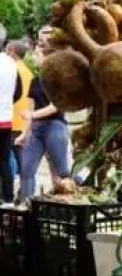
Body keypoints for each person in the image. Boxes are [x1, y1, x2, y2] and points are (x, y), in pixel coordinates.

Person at [14, 32, 73, 202]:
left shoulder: (59, 80)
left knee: (62, 171)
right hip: (37, 130)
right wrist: (24, 134)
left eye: (37, 54)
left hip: (55, 127)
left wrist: (33, 114)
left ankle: (74, 195)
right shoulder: (35, 81)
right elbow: (30, 106)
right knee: (26, 168)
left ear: (47, 58)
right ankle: (26, 205)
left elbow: (56, 106)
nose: (33, 57)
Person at [6, 39, 32, 178]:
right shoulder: (28, 72)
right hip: (23, 121)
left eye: (7, 50)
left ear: (12, 52)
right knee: (20, 158)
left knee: (10, 158)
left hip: (12, 119)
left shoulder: (11, 70)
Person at [0, 25, 17, 203]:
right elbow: (18, 91)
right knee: (4, 161)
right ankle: (8, 199)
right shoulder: (11, 63)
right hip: (5, 119)